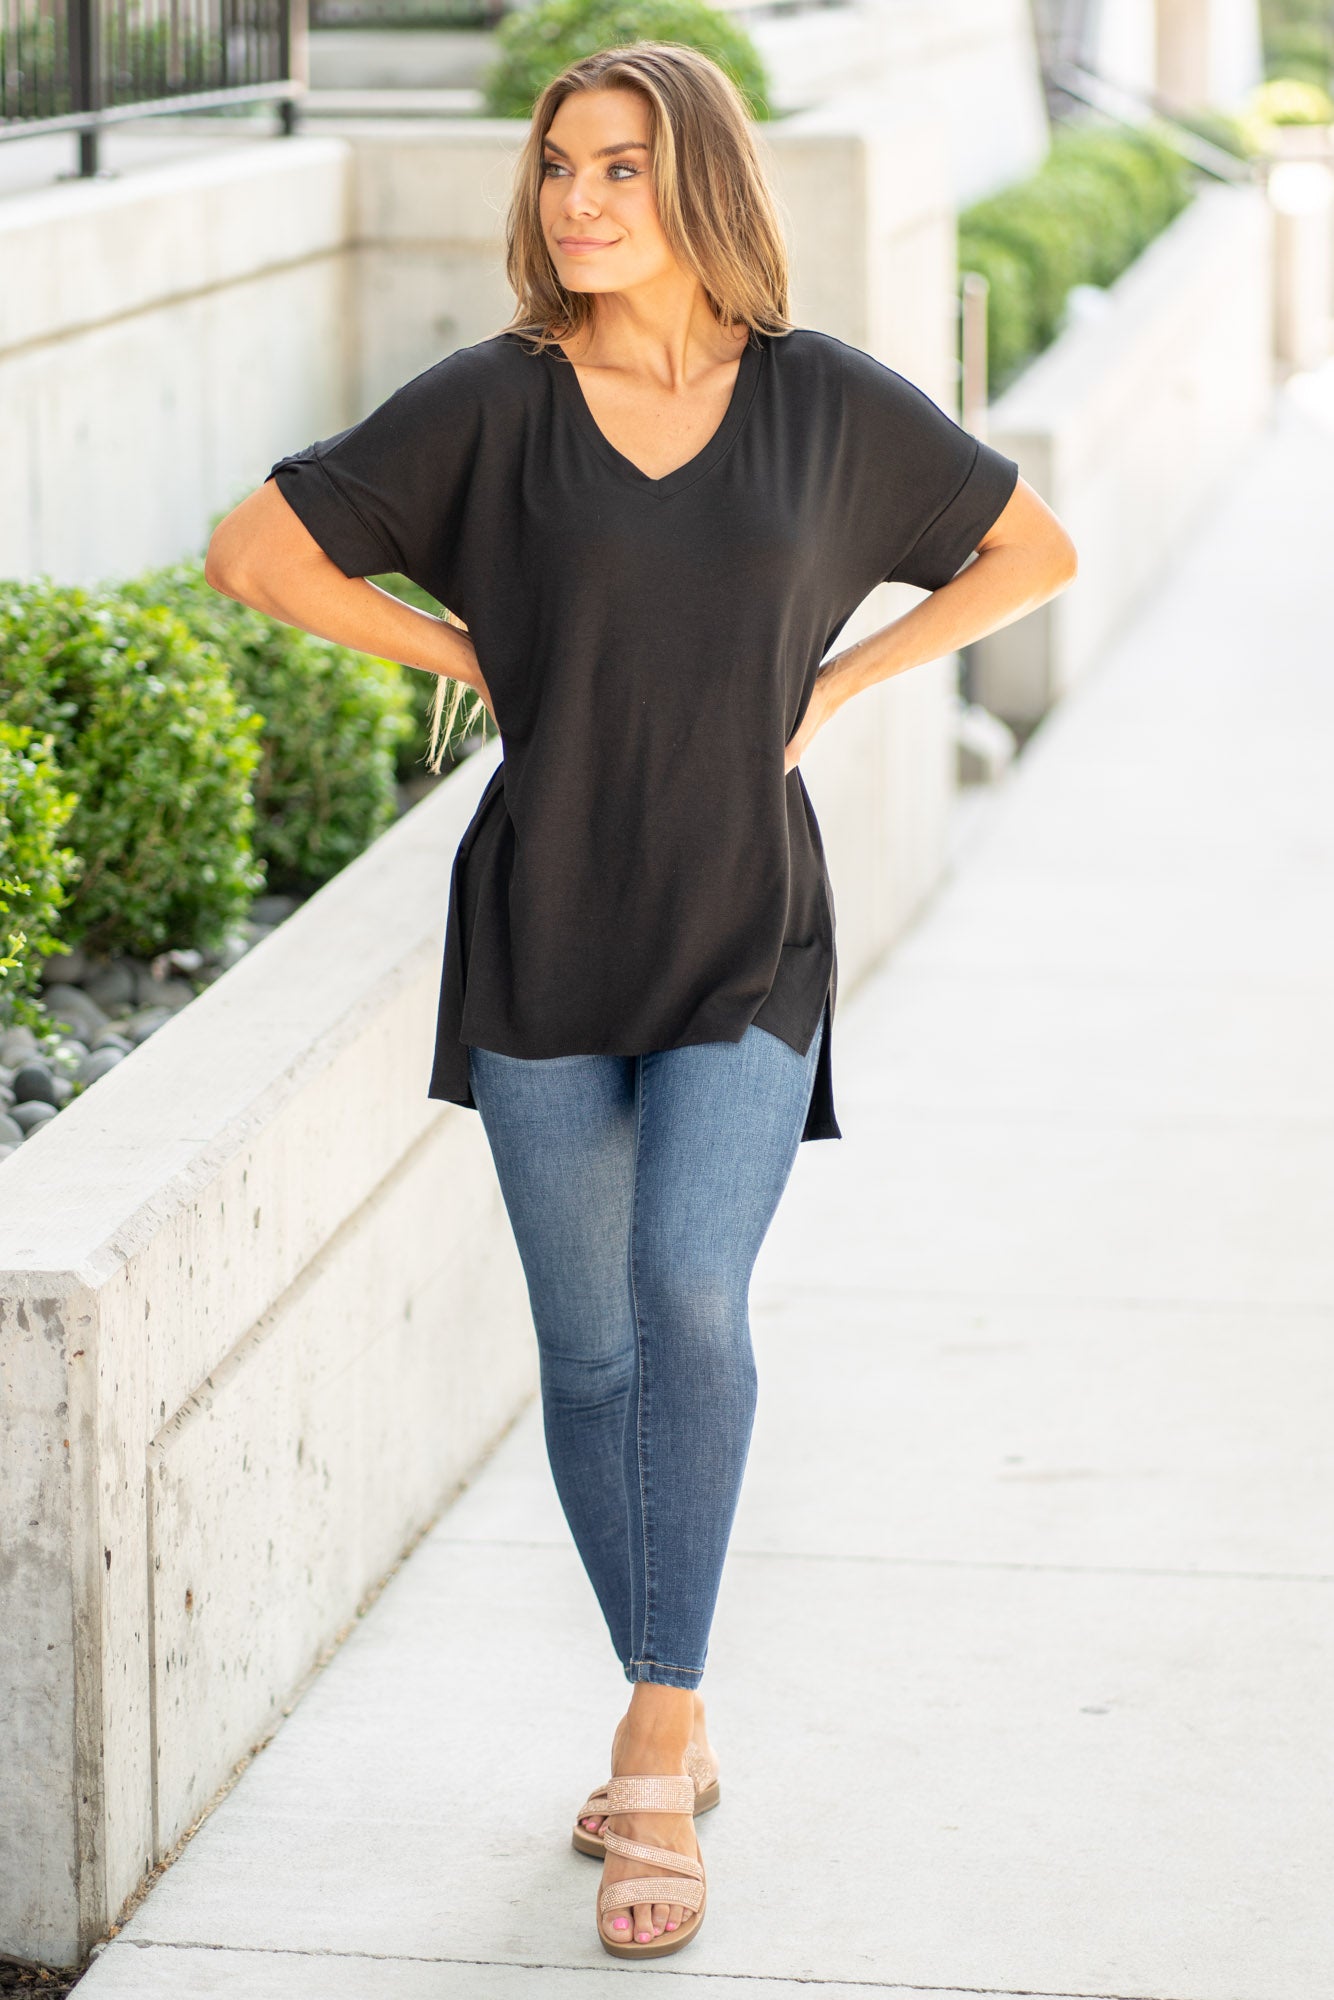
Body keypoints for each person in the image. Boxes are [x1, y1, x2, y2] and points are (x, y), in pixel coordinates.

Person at [205, 41, 1078, 1963]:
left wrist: (841, 683)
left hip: (745, 921)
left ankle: (655, 1733)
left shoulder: (821, 402)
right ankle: (664, 1688)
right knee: (591, 1357)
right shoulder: (495, 403)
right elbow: (254, 552)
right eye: (557, 168)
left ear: (702, 183)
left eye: (619, 166)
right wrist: (469, 654)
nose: (579, 201)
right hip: (542, 918)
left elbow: (1030, 548)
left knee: (688, 1294)